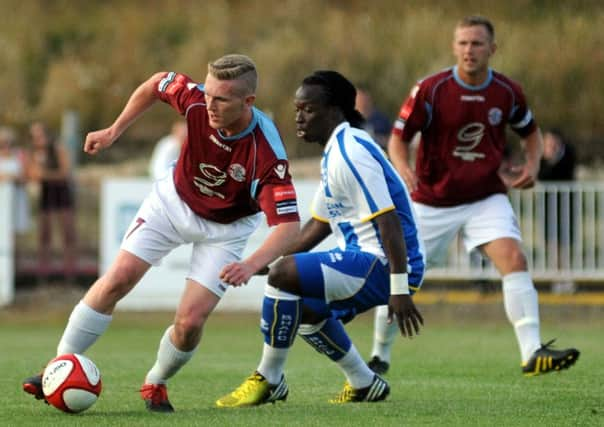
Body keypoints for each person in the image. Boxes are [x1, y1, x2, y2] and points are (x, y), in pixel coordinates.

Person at [22, 54, 301, 413]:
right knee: (116, 280)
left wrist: (251, 264)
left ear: (248, 102)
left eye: (222, 99)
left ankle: (156, 381)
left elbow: (289, 227)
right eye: (208, 93)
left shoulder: (266, 155)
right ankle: (57, 367)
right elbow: (155, 84)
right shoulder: (196, 98)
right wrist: (113, 130)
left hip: (226, 229)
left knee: (189, 323)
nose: (209, 104)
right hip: (173, 202)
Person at [369, 16, 579, 377]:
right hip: (431, 200)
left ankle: (532, 351)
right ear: (454, 47)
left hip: (485, 196)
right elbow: (398, 137)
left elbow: (530, 132)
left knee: (513, 258)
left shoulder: (507, 91)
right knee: (401, 277)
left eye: (477, 43)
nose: (469, 50)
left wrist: (533, 165)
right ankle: (379, 354)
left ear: (492, 49)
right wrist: (402, 168)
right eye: (463, 43)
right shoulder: (431, 89)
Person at [215, 70, 425, 407]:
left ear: (335, 111)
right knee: (305, 308)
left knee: (286, 275)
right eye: (297, 108)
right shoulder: (337, 149)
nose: (299, 117)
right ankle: (363, 382)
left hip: (386, 263)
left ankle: (268, 379)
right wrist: (262, 263)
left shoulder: (351, 151)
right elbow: (319, 226)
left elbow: (390, 224)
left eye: (308, 109)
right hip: (368, 258)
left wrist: (398, 289)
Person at [28, 121, 77, 280]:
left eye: (40, 135)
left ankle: (69, 271)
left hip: (61, 193)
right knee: (44, 234)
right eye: (34, 136)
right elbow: (32, 174)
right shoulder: (34, 152)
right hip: (46, 193)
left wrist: (44, 174)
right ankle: (44, 272)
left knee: (67, 233)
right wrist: (41, 174)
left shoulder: (58, 149)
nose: (38, 139)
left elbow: (65, 173)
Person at [538, 128, 577, 293]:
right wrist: (547, 159)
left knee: (565, 242)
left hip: (565, 205)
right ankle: (556, 278)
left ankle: (567, 278)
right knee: (551, 242)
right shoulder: (541, 157)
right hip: (548, 206)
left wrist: (553, 159)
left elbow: (566, 173)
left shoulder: (568, 153)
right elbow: (541, 176)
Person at [0, 126, 31, 236]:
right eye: (3, 142)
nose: (6, 145)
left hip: (17, 196)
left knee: (15, 231)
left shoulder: (20, 154)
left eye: (8, 142)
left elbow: (27, 175)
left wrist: (15, 178)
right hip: (2, 198)